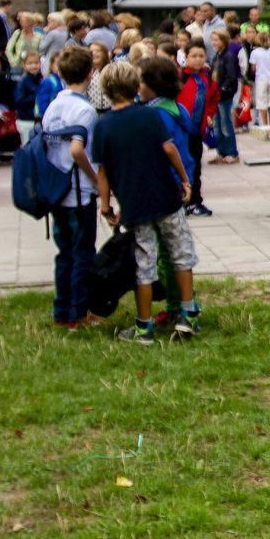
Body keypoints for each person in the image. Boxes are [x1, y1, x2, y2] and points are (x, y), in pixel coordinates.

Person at [95, 60, 200, 345]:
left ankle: (144, 327)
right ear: (135, 86)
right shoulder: (150, 116)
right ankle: (187, 314)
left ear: (105, 90)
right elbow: (169, 149)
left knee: (144, 264)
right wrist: (184, 180)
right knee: (180, 252)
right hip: (166, 197)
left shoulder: (102, 126)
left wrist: (106, 207)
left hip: (134, 204)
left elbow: (103, 171)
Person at [42, 46, 103, 329]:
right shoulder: (85, 109)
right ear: (90, 74)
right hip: (79, 192)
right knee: (83, 253)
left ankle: (61, 309)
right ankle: (79, 312)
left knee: (64, 253)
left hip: (57, 190)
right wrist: (96, 180)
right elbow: (79, 150)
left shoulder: (53, 106)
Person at [177, 41, 217, 214]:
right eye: (194, 56)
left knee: (195, 166)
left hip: (196, 131)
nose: (198, 60)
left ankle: (195, 201)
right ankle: (180, 201)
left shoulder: (206, 78)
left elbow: (213, 99)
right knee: (180, 167)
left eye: (201, 56)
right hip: (179, 131)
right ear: (186, 57)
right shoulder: (179, 78)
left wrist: (209, 115)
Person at [209, 28, 240, 162]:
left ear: (223, 40)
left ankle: (232, 152)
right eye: (213, 40)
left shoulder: (227, 56)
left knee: (225, 123)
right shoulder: (217, 56)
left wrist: (222, 89)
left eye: (216, 40)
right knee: (217, 125)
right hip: (216, 94)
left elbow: (231, 76)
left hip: (223, 94)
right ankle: (221, 152)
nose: (214, 43)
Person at [250, 31, 270, 125]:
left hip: (261, 79)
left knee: (262, 104)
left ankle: (265, 125)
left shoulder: (255, 52)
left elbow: (253, 68)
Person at [14, 51, 41, 144]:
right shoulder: (22, 81)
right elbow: (19, 102)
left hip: (37, 120)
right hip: (25, 120)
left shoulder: (41, 79)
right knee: (27, 146)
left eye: (36, 63)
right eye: (30, 63)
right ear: (24, 65)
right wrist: (36, 96)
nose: (33, 66)